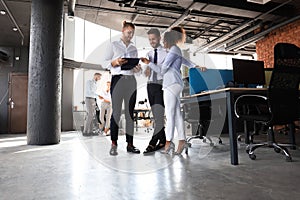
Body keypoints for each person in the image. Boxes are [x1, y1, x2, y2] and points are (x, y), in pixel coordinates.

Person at [141, 27, 206, 155]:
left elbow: (162, 70)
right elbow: (184, 61)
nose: (163, 43)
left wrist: (149, 63)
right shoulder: (173, 50)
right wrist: (196, 66)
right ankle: (182, 140)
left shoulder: (173, 50)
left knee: (170, 115)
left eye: (164, 40)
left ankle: (168, 143)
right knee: (176, 113)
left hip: (171, 84)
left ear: (167, 40)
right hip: (173, 83)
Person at [104, 21, 142, 155]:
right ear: (123, 31)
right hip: (118, 80)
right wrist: (115, 62)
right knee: (116, 113)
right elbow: (104, 63)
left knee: (130, 114)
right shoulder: (113, 45)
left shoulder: (134, 48)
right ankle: (114, 144)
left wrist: (138, 69)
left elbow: (137, 69)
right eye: (128, 32)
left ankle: (130, 144)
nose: (130, 35)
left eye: (132, 33)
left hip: (131, 81)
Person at [143, 28, 168, 154]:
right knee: (156, 116)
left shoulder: (166, 52)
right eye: (149, 39)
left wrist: (150, 64)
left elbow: (162, 71)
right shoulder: (149, 54)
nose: (151, 41)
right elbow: (146, 71)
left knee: (159, 116)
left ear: (159, 38)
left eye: (153, 39)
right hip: (150, 85)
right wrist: (145, 70)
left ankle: (152, 143)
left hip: (160, 85)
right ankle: (162, 141)